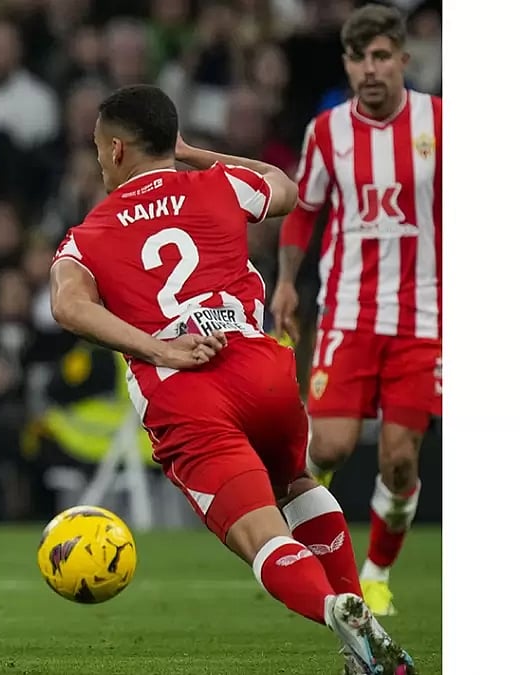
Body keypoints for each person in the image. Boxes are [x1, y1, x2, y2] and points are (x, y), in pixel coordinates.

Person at [49, 84, 414, 674]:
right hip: (260, 366)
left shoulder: (87, 235)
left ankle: (332, 607)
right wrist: (192, 153)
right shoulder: (219, 183)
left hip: (187, 391)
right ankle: (360, 621)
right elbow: (286, 189)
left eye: (98, 149)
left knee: (260, 536)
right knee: (293, 482)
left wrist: (158, 347)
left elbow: (69, 307)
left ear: (116, 151)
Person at [270, 4, 441, 618]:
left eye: (379, 57)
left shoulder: (440, 124)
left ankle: (375, 573)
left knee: (399, 459)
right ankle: (305, 540)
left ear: (402, 60)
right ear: (346, 63)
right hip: (347, 314)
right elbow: (305, 210)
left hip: (423, 318)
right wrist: (287, 282)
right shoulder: (327, 131)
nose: (368, 70)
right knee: (331, 446)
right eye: (356, 58)